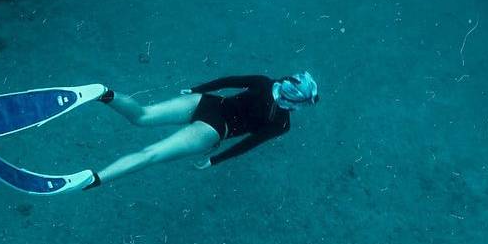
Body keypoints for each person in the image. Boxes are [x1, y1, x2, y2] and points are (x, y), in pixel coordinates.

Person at [79, 72, 319, 190]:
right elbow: (249, 143)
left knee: (142, 114)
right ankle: (95, 178)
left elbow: (228, 81)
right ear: (299, 103)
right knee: (150, 154)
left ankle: (105, 94)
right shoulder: (281, 124)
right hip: (214, 130)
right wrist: (214, 160)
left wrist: (196, 89)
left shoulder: (265, 82)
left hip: (205, 102)